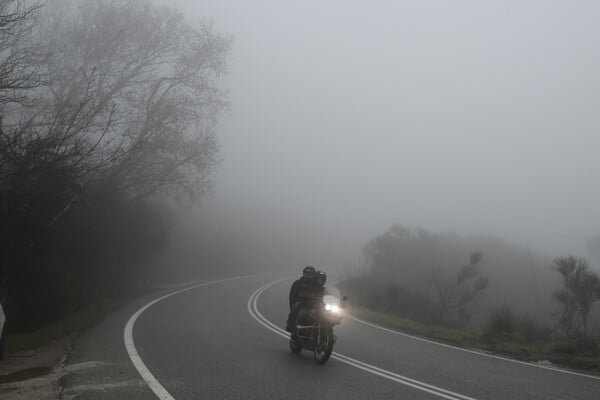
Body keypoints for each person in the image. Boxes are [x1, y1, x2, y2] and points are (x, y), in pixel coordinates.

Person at [286, 266, 320, 332]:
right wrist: (292, 305)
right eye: (307, 273)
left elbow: (322, 292)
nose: (308, 275)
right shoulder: (298, 283)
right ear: (303, 274)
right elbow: (292, 296)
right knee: (295, 307)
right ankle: (290, 325)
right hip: (302, 303)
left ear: (314, 275)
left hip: (314, 304)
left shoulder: (316, 284)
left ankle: (325, 327)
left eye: (311, 274)